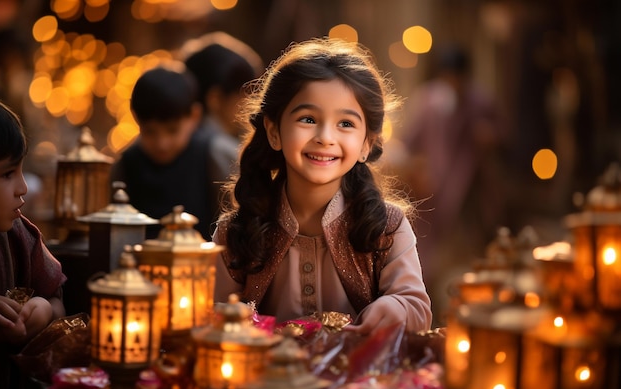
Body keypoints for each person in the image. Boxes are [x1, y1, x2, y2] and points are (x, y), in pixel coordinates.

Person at [212, 37, 432, 336]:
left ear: (367, 143)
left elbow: (417, 308)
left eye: (345, 124)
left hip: (360, 379)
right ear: (274, 131)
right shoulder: (235, 233)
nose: (325, 137)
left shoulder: (386, 228)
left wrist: (394, 307)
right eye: (308, 119)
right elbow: (212, 318)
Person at [397, 44, 507, 325]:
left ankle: (471, 315)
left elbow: (501, 135)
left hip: (472, 195)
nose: (454, 83)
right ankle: (432, 317)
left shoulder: (481, 101)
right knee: (430, 259)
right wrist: (414, 170)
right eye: (449, 77)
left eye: (458, 78)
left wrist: (490, 138)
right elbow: (410, 141)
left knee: (471, 257)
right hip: (434, 191)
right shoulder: (429, 100)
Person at [0, 98, 67, 389]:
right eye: (7, 174)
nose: (23, 187)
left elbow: (56, 301)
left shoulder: (20, 236)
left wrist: (43, 312)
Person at [111, 66, 214, 240]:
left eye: (172, 131)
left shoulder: (212, 155)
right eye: (150, 132)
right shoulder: (127, 163)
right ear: (135, 118)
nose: (162, 144)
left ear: (194, 116)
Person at [182, 32, 263, 224]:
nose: (253, 104)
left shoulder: (167, 139)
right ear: (215, 98)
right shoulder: (221, 149)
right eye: (245, 95)